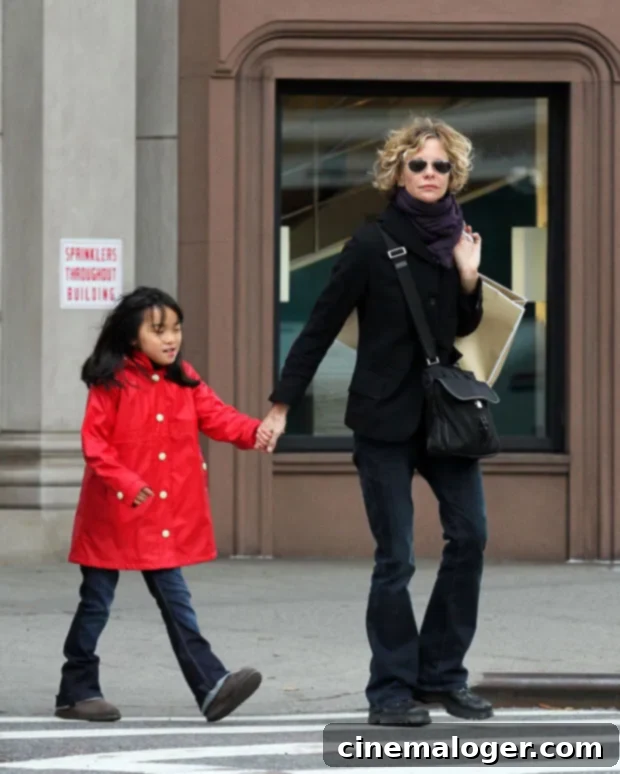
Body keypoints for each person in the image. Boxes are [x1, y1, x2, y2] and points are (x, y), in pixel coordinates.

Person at [259, 117, 493, 726]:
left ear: (454, 174)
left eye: (441, 166)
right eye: (418, 164)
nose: (430, 175)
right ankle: (390, 689)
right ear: (397, 171)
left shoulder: (458, 237)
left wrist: (469, 276)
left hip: (446, 417)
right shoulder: (370, 242)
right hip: (384, 420)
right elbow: (318, 327)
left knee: (470, 537)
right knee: (396, 558)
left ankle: (442, 675)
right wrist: (282, 404)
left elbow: (462, 328)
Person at [54, 286, 272, 723]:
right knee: (95, 602)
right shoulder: (111, 380)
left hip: (158, 518)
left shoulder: (183, 379)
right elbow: (94, 444)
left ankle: (210, 686)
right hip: (112, 514)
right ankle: (76, 690)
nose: (171, 338)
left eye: (175, 328)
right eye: (158, 330)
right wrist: (127, 482)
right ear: (133, 337)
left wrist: (255, 431)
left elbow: (219, 416)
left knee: (176, 601)